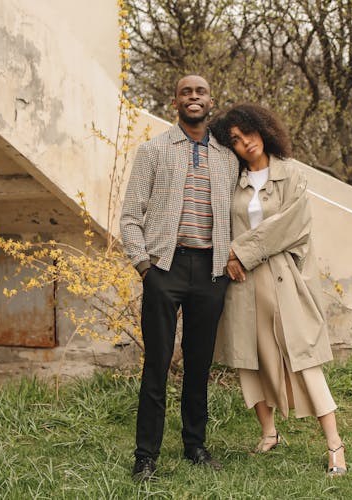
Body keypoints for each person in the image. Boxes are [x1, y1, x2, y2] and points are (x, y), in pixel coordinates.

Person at [209, 103, 347, 477]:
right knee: (249, 360)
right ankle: (269, 433)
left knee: (302, 358)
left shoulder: (291, 175)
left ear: (263, 130)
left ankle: (335, 443)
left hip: (282, 279)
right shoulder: (232, 182)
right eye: (234, 140)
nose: (244, 143)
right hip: (242, 284)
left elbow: (293, 225)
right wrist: (227, 255)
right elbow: (219, 225)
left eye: (247, 133)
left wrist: (240, 250)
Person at [120, 75, 239, 482]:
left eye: (200, 92)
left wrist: (228, 264)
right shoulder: (154, 150)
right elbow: (130, 216)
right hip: (165, 269)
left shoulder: (227, 157)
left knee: (199, 364)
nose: (193, 97)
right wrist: (144, 267)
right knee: (156, 364)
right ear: (175, 101)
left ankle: (195, 446)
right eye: (186, 92)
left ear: (210, 100)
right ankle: (146, 456)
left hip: (210, 272)